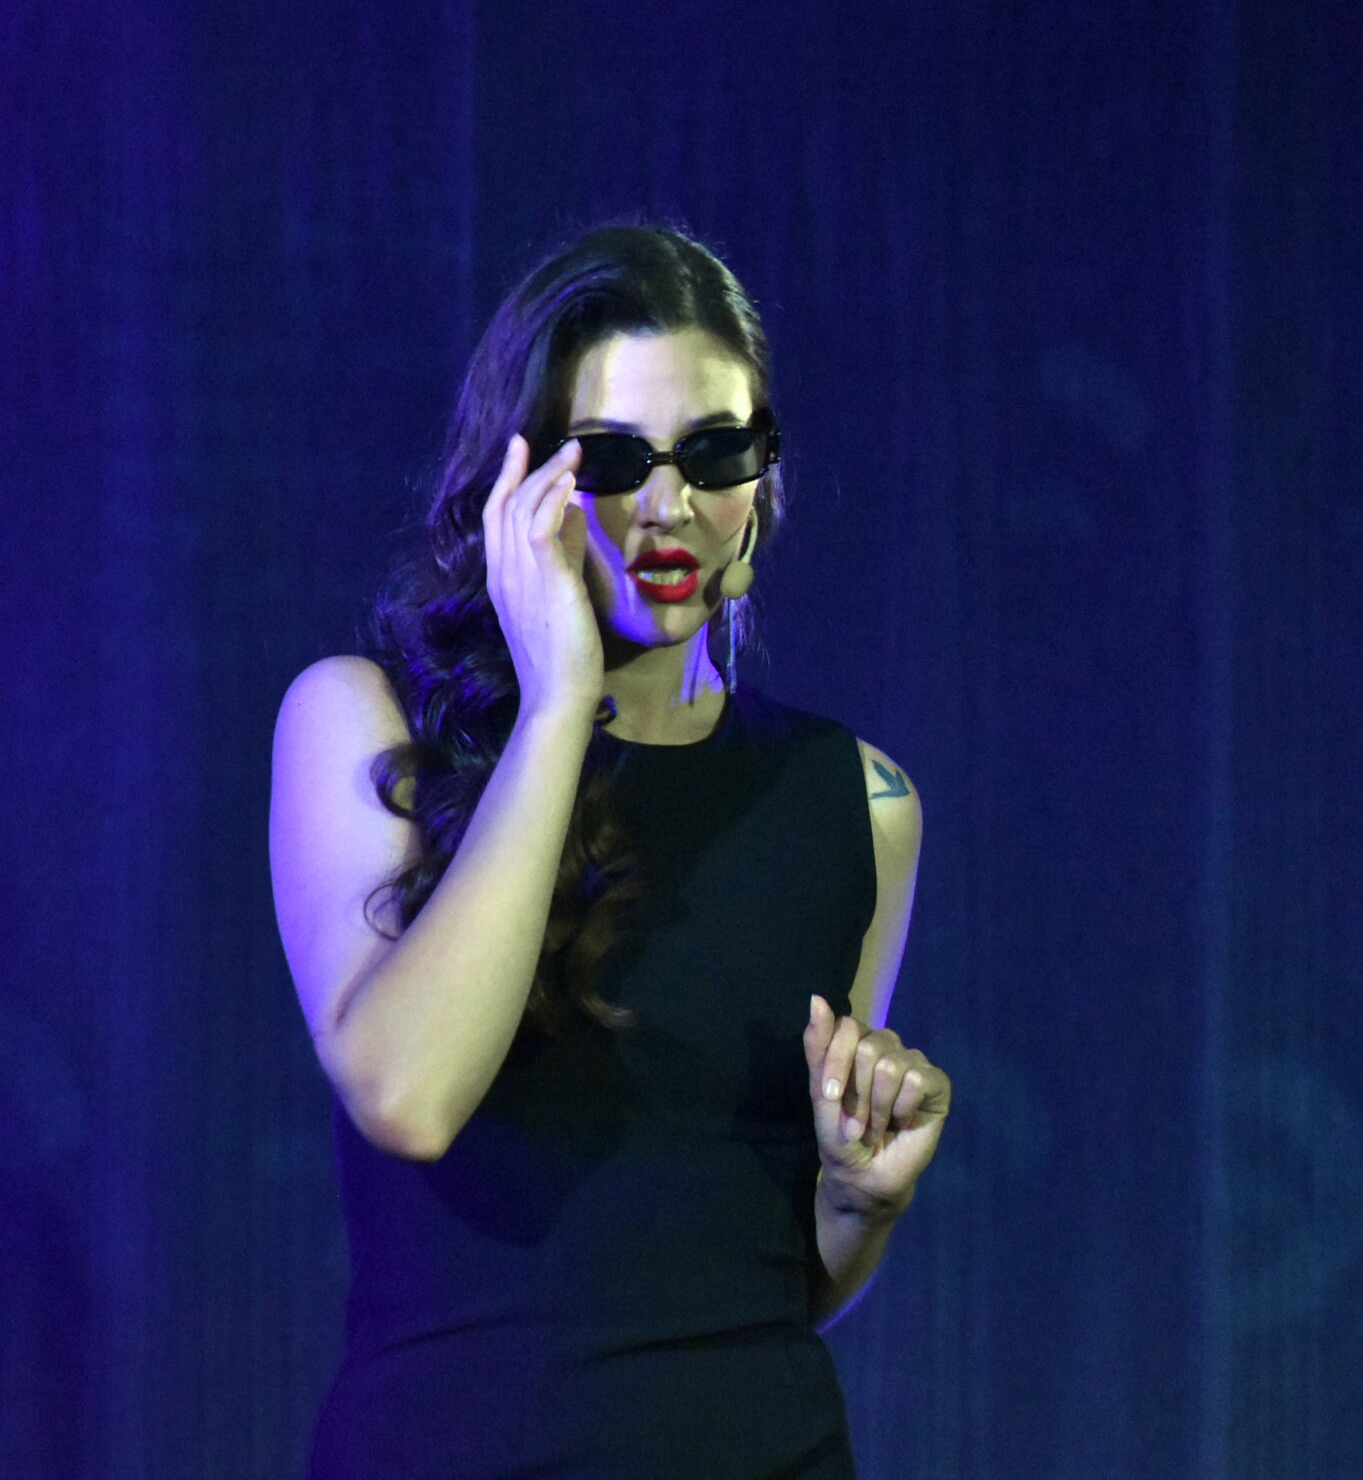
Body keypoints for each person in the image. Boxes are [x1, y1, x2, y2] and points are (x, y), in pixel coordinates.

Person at [269, 223, 949, 1478]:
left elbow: (769, 1284)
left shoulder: (859, 800)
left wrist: (864, 1198)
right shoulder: (364, 723)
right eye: (617, 458)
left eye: (715, 452)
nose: (667, 506)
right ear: (520, 478)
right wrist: (555, 707)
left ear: (763, 477)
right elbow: (405, 1093)